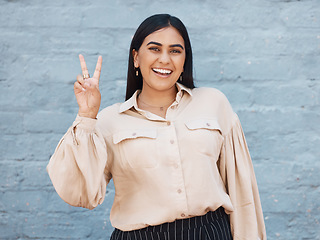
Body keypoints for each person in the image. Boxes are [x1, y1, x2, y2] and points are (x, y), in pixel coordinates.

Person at [47, 14, 267, 240]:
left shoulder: (214, 103)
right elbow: (81, 194)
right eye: (154, 49)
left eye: (175, 51)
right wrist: (86, 115)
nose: (165, 59)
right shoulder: (108, 120)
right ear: (136, 57)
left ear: (184, 59)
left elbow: (242, 193)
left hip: (210, 233)